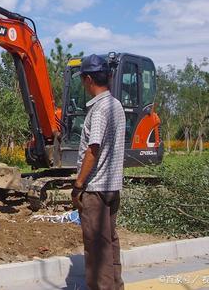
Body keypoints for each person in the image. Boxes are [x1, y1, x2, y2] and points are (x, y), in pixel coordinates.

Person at [71, 54, 126, 290]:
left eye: (83, 79)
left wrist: (78, 184)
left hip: (96, 189)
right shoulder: (116, 105)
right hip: (113, 187)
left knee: (96, 248)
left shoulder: (100, 109)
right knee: (109, 242)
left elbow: (93, 150)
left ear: (89, 79)